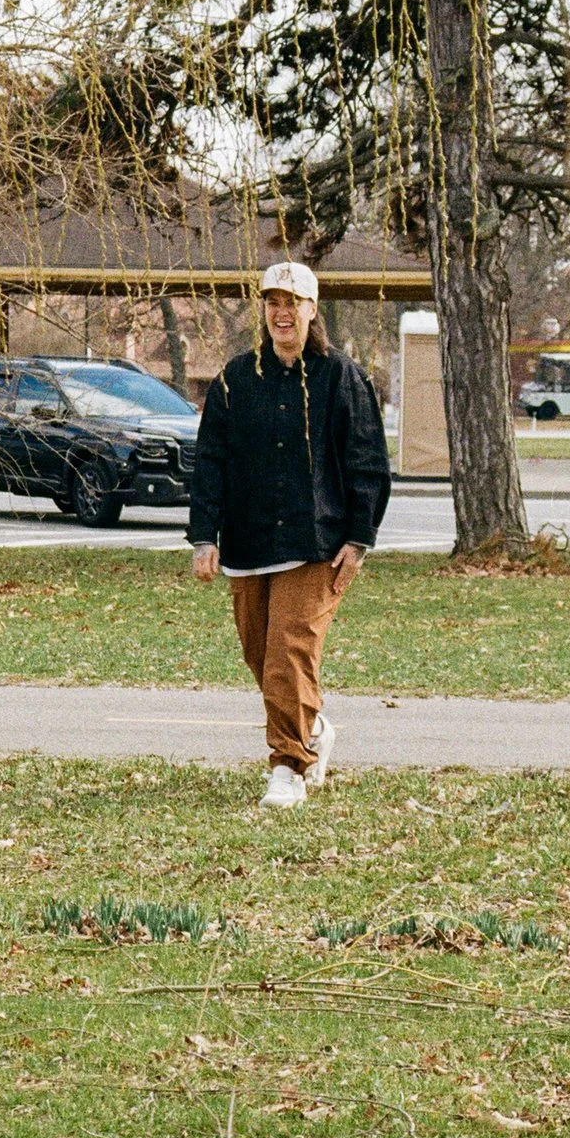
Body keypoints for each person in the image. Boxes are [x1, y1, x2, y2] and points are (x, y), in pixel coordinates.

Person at [187, 261, 391, 809]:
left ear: (312, 309)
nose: (282, 312)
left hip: (317, 543)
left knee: (287, 653)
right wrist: (203, 535)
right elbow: (210, 461)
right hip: (249, 541)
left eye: (292, 302)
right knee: (261, 656)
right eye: (272, 302)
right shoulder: (236, 379)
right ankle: (314, 727)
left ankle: (289, 767)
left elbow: (368, 461)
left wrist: (359, 537)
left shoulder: (340, 376)